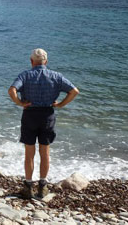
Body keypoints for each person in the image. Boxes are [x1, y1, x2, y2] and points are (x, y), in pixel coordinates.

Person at [7, 48, 79, 199]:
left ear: (31, 61)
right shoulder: (56, 76)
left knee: (29, 153)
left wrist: (20, 103)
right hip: (47, 115)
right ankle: (42, 187)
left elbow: (12, 90)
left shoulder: (25, 75)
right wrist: (60, 105)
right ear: (46, 61)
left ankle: (27, 187)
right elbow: (74, 91)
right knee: (44, 152)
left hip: (30, 115)